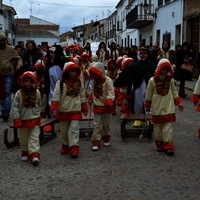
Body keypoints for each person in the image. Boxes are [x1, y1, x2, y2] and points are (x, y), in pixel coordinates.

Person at [145, 58, 184, 156]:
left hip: (168, 106)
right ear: (159, 68)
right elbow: (148, 93)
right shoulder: (152, 80)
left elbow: (174, 91)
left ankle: (168, 146)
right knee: (158, 127)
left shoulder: (170, 80)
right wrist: (148, 105)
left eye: (167, 69)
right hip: (157, 106)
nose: (165, 71)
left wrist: (178, 102)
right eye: (163, 69)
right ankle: (160, 144)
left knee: (168, 126)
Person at [50, 62, 88, 158]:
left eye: (75, 71)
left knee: (74, 129)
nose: (74, 73)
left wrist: (84, 106)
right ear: (67, 72)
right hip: (63, 111)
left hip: (76, 109)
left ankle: (74, 147)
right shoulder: (60, 83)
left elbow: (82, 95)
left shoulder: (79, 83)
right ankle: (65, 145)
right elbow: (56, 96)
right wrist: (55, 108)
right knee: (64, 131)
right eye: (72, 71)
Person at [12, 71, 42, 165]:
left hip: (35, 118)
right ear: (23, 82)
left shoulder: (37, 92)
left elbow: (40, 104)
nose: (28, 83)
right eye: (26, 81)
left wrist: (38, 112)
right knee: (23, 138)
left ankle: (34, 154)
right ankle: (25, 151)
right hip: (23, 119)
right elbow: (15, 107)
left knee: (34, 137)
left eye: (30, 81)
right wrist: (17, 118)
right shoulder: (19, 93)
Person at [88, 62, 115, 151]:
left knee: (106, 124)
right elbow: (91, 91)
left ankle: (106, 137)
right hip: (97, 106)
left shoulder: (108, 81)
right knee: (97, 125)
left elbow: (111, 92)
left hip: (107, 107)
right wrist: (91, 97)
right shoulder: (94, 82)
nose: (94, 76)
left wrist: (109, 100)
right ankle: (96, 141)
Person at [127, 47, 157, 127]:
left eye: (145, 53)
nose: (143, 55)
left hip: (149, 87)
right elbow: (130, 78)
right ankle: (137, 119)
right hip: (138, 87)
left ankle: (149, 119)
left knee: (149, 102)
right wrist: (129, 90)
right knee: (138, 103)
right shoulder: (135, 65)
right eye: (141, 54)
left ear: (148, 54)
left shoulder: (153, 65)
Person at [0, 33, 23, 121]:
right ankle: (3, 110)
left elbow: (18, 58)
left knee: (7, 93)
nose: (4, 42)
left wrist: (19, 65)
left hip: (8, 74)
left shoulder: (10, 49)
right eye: (2, 40)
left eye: (4, 40)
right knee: (1, 94)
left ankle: (5, 112)